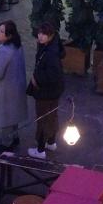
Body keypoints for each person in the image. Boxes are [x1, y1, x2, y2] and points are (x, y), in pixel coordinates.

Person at [0, 20, 29, 153]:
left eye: (2, 31)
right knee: (13, 115)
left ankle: (6, 143)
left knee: (5, 118)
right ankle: (14, 137)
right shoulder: (17, 46)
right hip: (15, 87)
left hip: (6, 90)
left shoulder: (4, 51)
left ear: (9, 35)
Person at [27, 19, 65, 158]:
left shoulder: (50, 53)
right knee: (52, 117)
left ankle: (40, 150)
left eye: (44, 34)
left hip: (45, 92)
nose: (40, 36)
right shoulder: (52, 47)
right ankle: (51, 142)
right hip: (54, 92)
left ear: (51, 35)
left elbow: (52, 75)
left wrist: (36, 79)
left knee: (43, 118)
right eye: (40, 33)